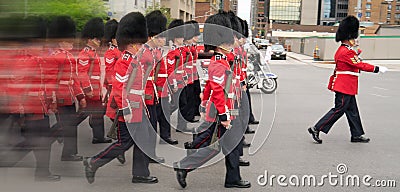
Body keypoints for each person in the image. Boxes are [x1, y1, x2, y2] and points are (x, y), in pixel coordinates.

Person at [173, 11, 251, 189]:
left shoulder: (225, 59)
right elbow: (217, 91)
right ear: (223, 41)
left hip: (229, 109)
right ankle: (184, 166)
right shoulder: (219, 62)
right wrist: (224, 115)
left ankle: (232, 177)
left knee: (227, 145)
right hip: (223, 111)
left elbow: (212, 86)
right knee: (216, 146)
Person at [84, 12, 158, 184]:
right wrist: (126, 110)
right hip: (128, 108)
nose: (142, 46)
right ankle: (93, 162)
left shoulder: (135, 59)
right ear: (131, 43)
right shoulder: (124, 61)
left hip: (138, 106)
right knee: (124, 142)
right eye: (140, 43)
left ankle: (140, 174)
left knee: (141, 140)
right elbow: (119, 88)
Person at [307, 15, 388, 144]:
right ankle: (317, 128)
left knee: (352, 111)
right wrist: (377, 69)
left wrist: (356, 54)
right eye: (354, 38)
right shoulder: (347, 52)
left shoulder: (345, 50)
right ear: (349, 37)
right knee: (339, 109)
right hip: (344, 86)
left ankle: (356, 134)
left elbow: (353, 63)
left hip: (347, 86)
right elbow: (360, 65)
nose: (356, 40)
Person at [0, 16, 61, 181]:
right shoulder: (25, 58)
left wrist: (49, 102)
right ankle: (37, 171)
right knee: (36, 141)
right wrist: (21, 110)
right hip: (30, 108)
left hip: (39, 107)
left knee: (38, 141)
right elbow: (19, 85)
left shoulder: (36, 57)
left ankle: (40, 172)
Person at [45, 16, 87, 161]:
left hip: (69, 96)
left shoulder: (69, 56)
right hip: (61, 95)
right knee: (64, 127)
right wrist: (53, 100)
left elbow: (74, 79)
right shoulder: (56, 57)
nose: (71, 43)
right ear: (60, 41)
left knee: (70, 126)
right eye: (68, 40)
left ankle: (69, 153)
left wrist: (80, 96)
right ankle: (44, 143)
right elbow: (51, 80)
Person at [76, 18, 111, 144]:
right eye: (96, 39)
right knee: (82, 115)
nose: (99, 41)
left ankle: (98, 137)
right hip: (90, 89)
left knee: (98, 113)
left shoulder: (93, 53)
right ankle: (60, 131)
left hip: (95, 89)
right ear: (90, 39)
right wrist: (87, 89)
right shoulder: (85, 53)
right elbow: (82, 73)